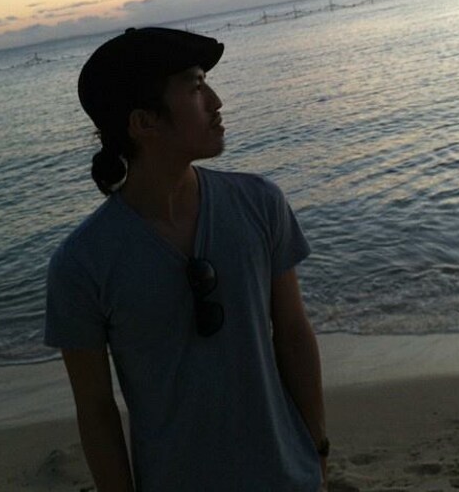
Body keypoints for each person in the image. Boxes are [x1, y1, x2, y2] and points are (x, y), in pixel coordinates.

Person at [44, 27, 328, 491]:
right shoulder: (82, 264)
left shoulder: (260, 204)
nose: (216, 102)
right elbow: (96, 410)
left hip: (288, 476)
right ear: (144, 123)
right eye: (196, 88)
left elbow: (294, 334)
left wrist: (318, 450)